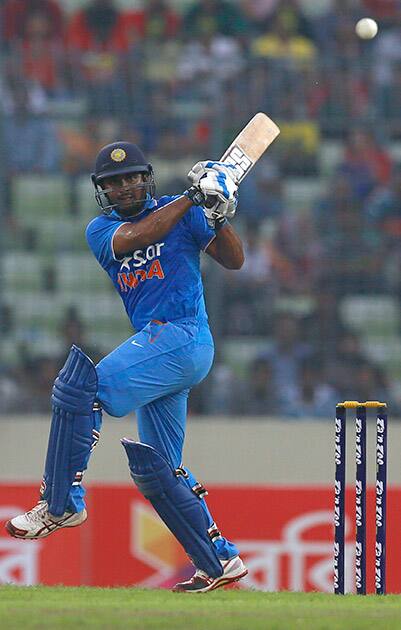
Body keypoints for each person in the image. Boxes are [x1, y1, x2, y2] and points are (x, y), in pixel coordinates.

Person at [6, 141, 248, 593]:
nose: (125, 186)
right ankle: (219, 562)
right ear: (104, 191)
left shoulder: (186, 212)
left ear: (146, 178)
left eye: (132, 177)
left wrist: (217, 214)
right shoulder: (101, 231)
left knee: (80, 389)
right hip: (165, 346)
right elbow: (138, 237)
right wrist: (192, 198)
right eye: (114, 182)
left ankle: (59, 504)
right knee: (158, 468)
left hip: (182, 334)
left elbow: (234, 260)